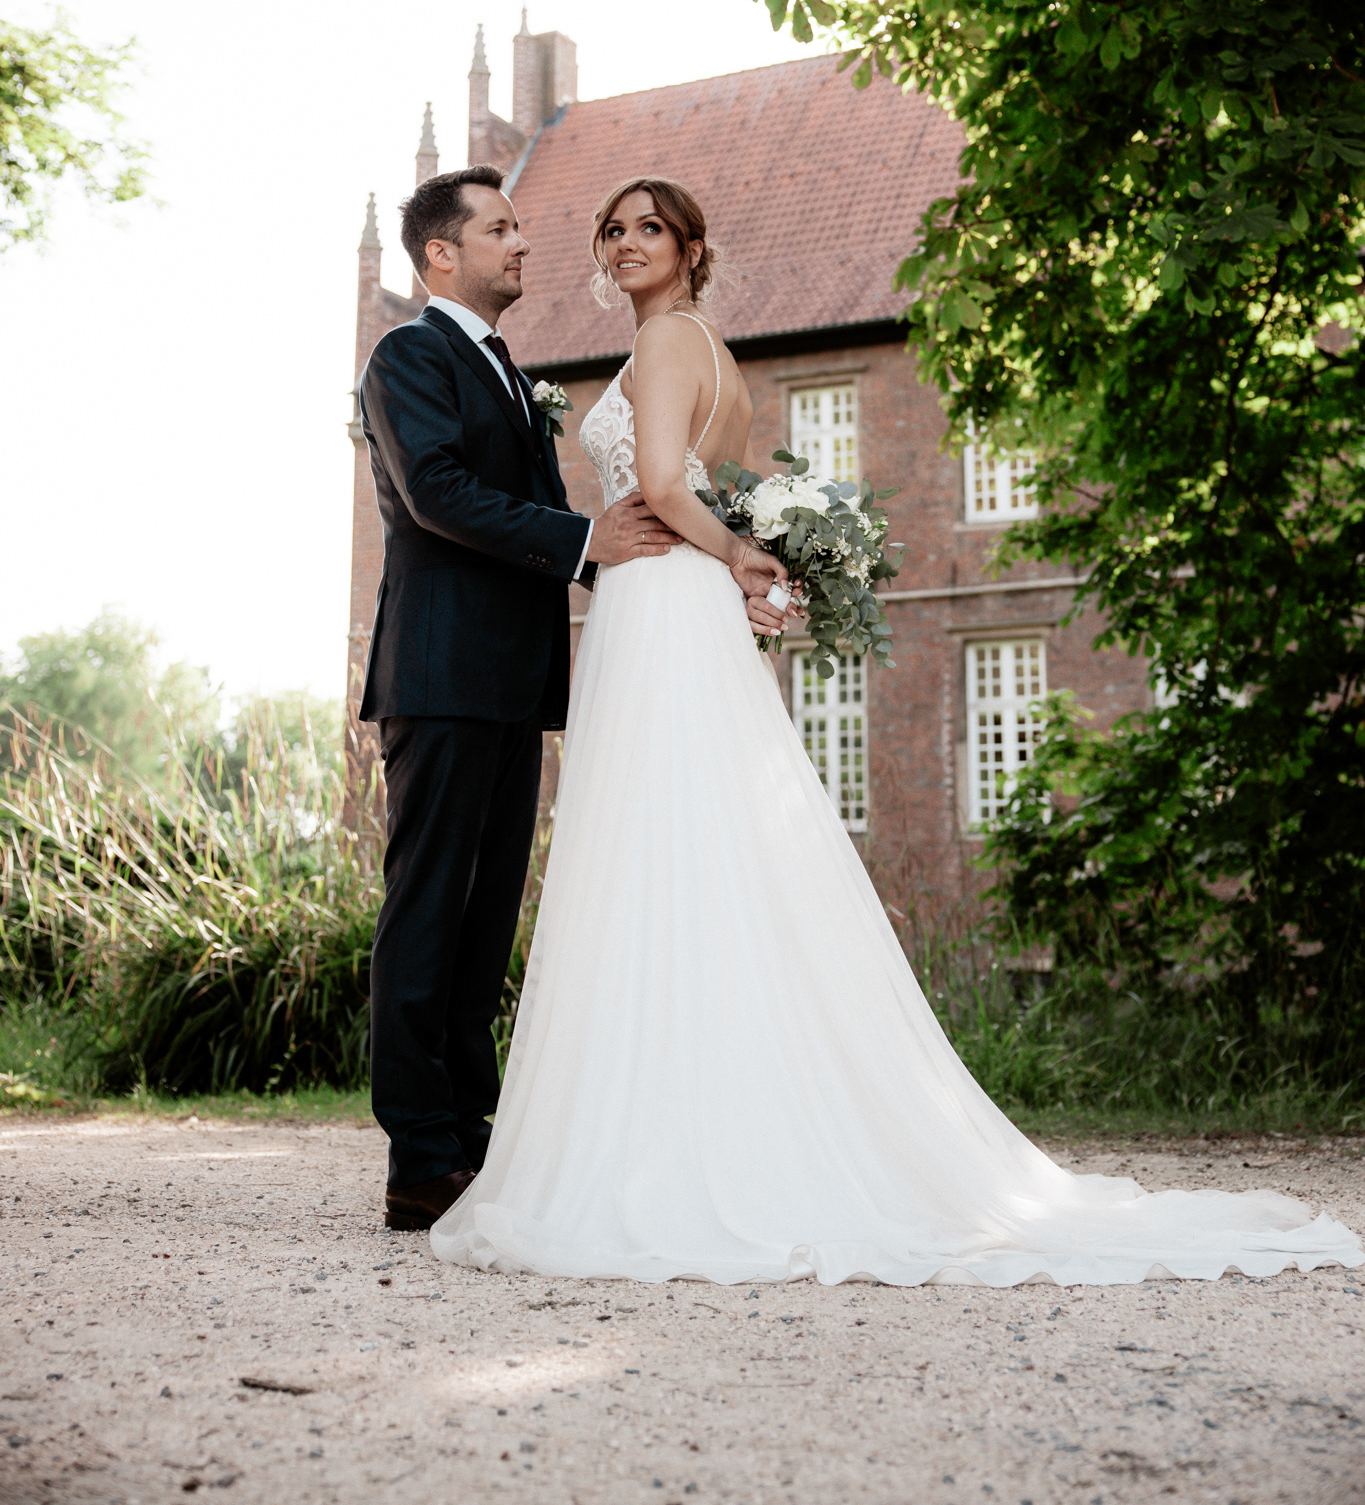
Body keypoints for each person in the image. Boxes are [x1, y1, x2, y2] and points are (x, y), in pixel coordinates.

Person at [430, 175, 1363, 1287]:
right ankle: (689, 1117)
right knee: (697, 854)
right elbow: (716, 483)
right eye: (615, 228)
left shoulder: (671, 341)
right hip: (674, 605)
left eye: (650, 228)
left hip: (661, 596)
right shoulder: (711, 350)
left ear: (690, 249)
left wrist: (732, 556)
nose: (628, 242)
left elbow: (672, 485)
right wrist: (733, 552)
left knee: (653, 853)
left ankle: (654, 1139)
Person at [357, 166, 783, 1230]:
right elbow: (438, 493)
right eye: (500, 229)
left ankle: (473, 1134)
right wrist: (589, 543)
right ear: (440, 254)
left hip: (514, 682)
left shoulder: (511, 369)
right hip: (443, 671)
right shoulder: (407, 354)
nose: (524, 243)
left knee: (486, 917)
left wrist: (613, 557)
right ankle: (419, 1152)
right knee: (428, 910)